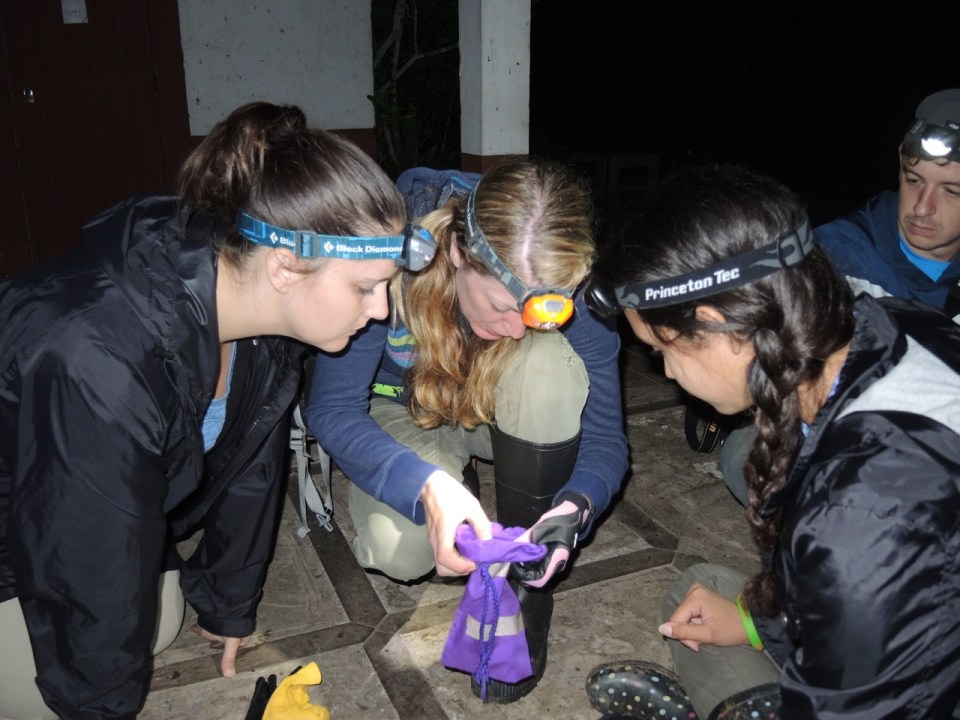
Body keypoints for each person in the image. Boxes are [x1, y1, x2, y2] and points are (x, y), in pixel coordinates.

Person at [0, 101, 424, 719]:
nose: (383, 310)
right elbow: (87, 565)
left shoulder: (262, 321)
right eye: (365, 287)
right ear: (285, 267)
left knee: (159, 618)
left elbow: (252, 465)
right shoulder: (97, 361)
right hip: (21, 534)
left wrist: (229, 602)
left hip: (73, 515)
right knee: (63, 686)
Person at [582, 163, 960, 719]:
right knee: (706, 593)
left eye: (662, 352)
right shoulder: (893, 324)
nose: (664, 374)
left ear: (717, 325)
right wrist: (760, 627)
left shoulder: (861, 513)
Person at [305, 161, 629, 703]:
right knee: (400, 552)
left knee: (547, 365)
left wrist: (577, 507)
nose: (513, 330)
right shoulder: (390, 257)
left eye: (536, 318)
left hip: (498, 408)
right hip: (404, 408)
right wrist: (425, 488)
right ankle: (452, 482)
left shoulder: (573, 293)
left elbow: (607, 439)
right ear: (459, 253)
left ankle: (527, 586)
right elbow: (332, 408)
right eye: (502, 307)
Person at [720, 87, 960, 506]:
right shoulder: (836, 256)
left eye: (951, 191)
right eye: (913, 180)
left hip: (943, 450)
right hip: (846, 448)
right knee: (747, 453)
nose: (923, 207)